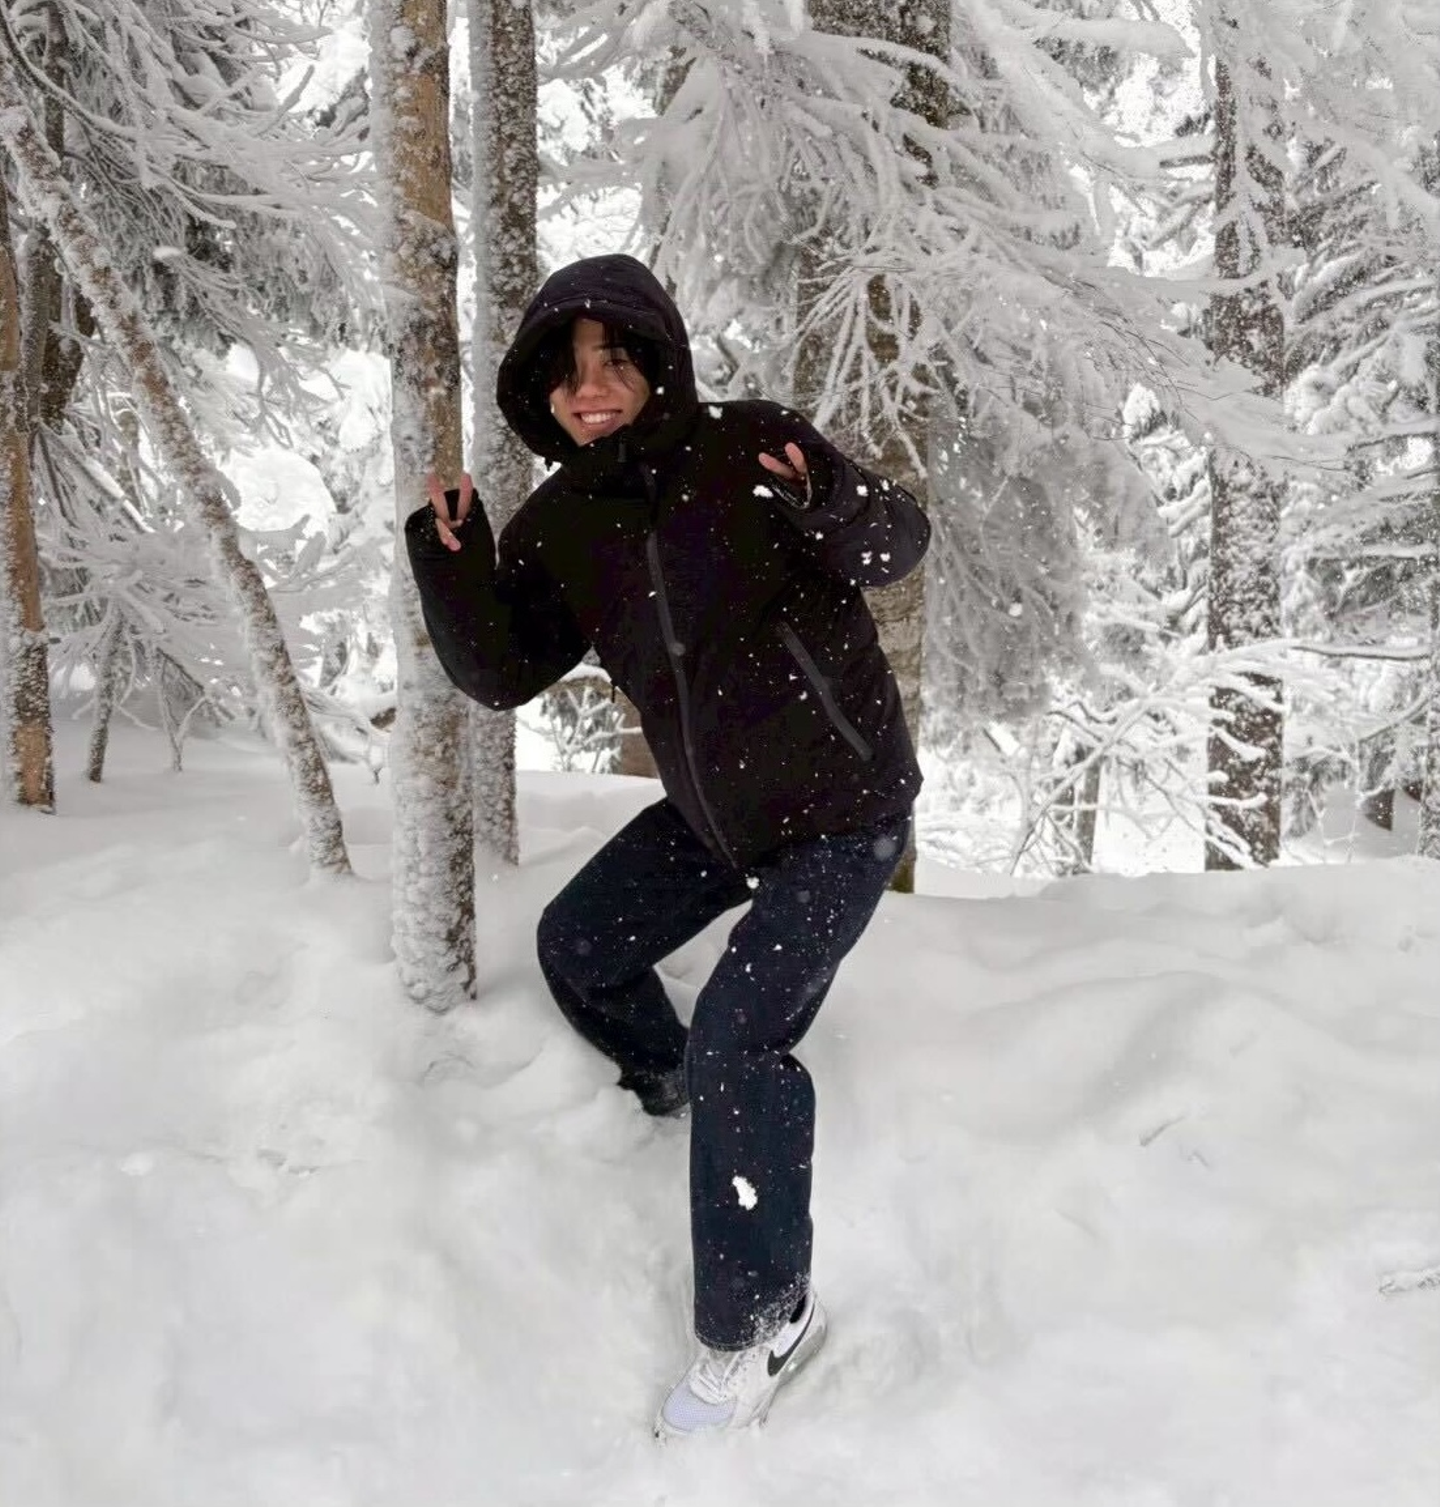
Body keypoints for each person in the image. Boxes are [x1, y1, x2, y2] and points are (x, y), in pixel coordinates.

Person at [405, 253, 929, 1438]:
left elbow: (898, 543)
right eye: (565, 371)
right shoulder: (562, 524)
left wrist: (832, 500)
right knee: (579, 945)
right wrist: (452, 565)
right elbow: (501, 671)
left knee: (745, 1032)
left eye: (613, 359)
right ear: (540, 392)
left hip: (840, 816)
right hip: (717, 815)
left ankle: (764, 1321)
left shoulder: (750, 448)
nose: (590, 388)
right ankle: (686, 1088)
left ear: (657, 364)